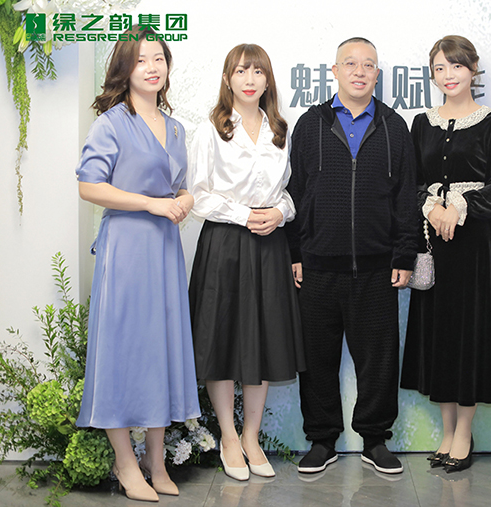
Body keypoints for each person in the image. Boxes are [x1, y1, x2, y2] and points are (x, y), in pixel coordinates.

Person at [75, 27, 200, 502]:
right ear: (125, 69)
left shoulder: (176, 128)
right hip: (127, 249)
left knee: (161, 350)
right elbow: (90, 186)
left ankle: (156, 459)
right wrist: (151, 204)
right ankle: (126, 464)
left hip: (165, 250)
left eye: (159, 59)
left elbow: (180, 186)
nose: (152, 67)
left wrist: (184, 198)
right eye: (141, 59)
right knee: (124, 351)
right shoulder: (110, 123)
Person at [285, 37, 418, 475]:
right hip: (317, 266)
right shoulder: (311, 124)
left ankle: (375, 440)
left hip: (377, 268)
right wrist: (294, 251)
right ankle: (322, 440)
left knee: (379, 360)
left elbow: (406, 198)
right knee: (317, 360)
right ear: (335, 71)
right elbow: (294, 193)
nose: (359, 72)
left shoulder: (394, 126)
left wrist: (404, 255)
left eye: (368, 65)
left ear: (377, 74)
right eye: (351, 64)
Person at [187, 44, 305, 481]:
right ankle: (228, 437)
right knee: (220, 337)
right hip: (225, 244)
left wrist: (280, 214)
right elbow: (197, 195)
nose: (250, 80)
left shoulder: (280, 129)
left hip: (270, 245)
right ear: (228, 79)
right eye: (241, 71)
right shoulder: (211, 130)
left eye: (258, 72)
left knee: (265, 338)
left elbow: (289, 191)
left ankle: (251, 436)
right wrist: (245, 215)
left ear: (268, 79)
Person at [400, 35, 491, 473]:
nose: (448, 75)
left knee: (470, 336)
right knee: (439, 337)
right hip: (433, 246)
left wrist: (460, 208)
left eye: (456, 66)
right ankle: (447, 431)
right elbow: (410, 184)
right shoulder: (421, 123)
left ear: (473, 70)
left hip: (475, 247)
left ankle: (464, 432)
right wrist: (433, 207)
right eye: (440, 68)